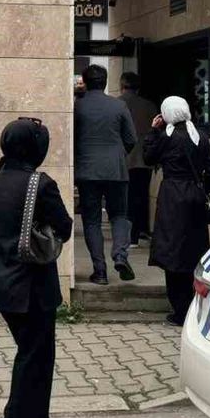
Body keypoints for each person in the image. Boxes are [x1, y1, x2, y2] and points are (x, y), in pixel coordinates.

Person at [0, 118, 73, 418]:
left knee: (27, 355)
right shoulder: (41, 184)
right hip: (33, 288)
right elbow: (65, 226)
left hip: (5, 284)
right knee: (37, 361)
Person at [143, 97, 210, 326]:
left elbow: (148, 157)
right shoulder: (200, 137)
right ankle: (195, 304)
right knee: (193, 251)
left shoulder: (166, 137)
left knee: (172, 252)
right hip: (194, 198)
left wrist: (153, 131)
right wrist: (201, 190)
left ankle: (180, 309)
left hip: (172, 198)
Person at [73, 65, 137, 285]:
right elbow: (131, 138)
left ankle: (100, 272)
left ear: (84, 81)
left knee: (92, 221)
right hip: (115, 170)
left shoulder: (77, 106)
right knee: (119, 215)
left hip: (87, 171)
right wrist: (118, 155)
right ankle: (120, 256)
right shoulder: (119, 105)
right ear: (106, 81)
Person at [118, 72, 157, 247]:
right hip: (145, 159)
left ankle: (131, 236)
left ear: (122, 86)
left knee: (126, 198)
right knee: (142, 195)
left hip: (124, 160)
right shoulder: (149, 106)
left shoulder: (117, 104)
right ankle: (142, 229)